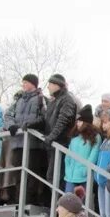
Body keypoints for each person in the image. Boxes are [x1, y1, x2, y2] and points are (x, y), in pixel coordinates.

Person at [2, 74, 48, 203]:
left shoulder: (41, 99)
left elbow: (45, 117)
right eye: (23, 82)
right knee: (18, 174)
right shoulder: (18, 99)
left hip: (34, 144)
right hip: (18, 143)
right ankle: (19, 202)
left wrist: (31, 125)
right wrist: (11, 126)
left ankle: (29, 202)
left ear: (33, 84)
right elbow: (8, 115)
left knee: (32, 174)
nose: (23, 85)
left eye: (26, 82)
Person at [43, 73, 79, 202]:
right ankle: (57, 206)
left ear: (58, 85)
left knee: (56, 176)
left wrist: (51, 136)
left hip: (61, 143)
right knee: (51, 176)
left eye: (51, 84)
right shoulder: (54, 101)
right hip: (52, 144)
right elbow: (47, 120)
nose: (48, 87)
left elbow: (63, 120)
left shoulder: (67, 100)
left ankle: (60, 207)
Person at [65, 105, 100, 194]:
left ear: (86, 122)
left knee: (81, 204)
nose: (77, 124)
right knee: (67, 203)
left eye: (80, 121)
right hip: (70, 176)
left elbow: (93, 157)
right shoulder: (74, 136)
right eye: (77, 121)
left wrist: (85, 170)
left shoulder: (95, 137)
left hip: (84, 177)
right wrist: (68, 169)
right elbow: (68, 155)